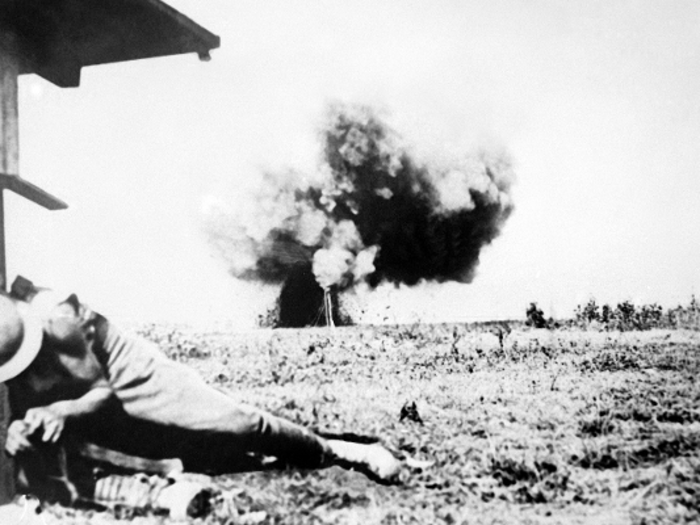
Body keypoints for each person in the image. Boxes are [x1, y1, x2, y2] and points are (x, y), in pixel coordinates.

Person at [0, 276, 401, 505]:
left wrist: (62, 411)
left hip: (123, 371)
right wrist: (22, 427)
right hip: (72, 390)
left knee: (234, 422)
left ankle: (337, 451)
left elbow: (101, 391)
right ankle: (155, 490)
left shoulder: (58, 319)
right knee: (173, 455)